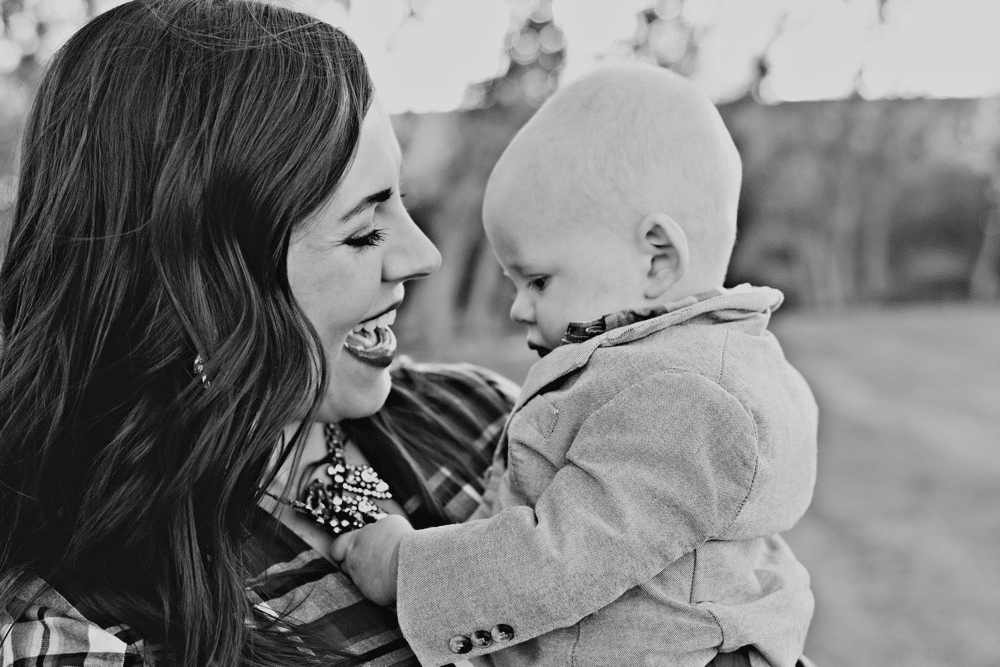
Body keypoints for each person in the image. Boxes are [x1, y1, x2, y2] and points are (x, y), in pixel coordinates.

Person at [0, 1, 518, 665]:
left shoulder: (488, 420)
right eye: (362, 231)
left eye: (402, 200)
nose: (423, 256)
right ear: (199, 290)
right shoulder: (77, 627)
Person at [332, 64, 819, 667]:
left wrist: (405, 571)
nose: (518, 307)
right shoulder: (650, 371)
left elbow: (559, 558)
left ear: (657, 259)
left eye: (538, 279)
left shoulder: (686, 398)